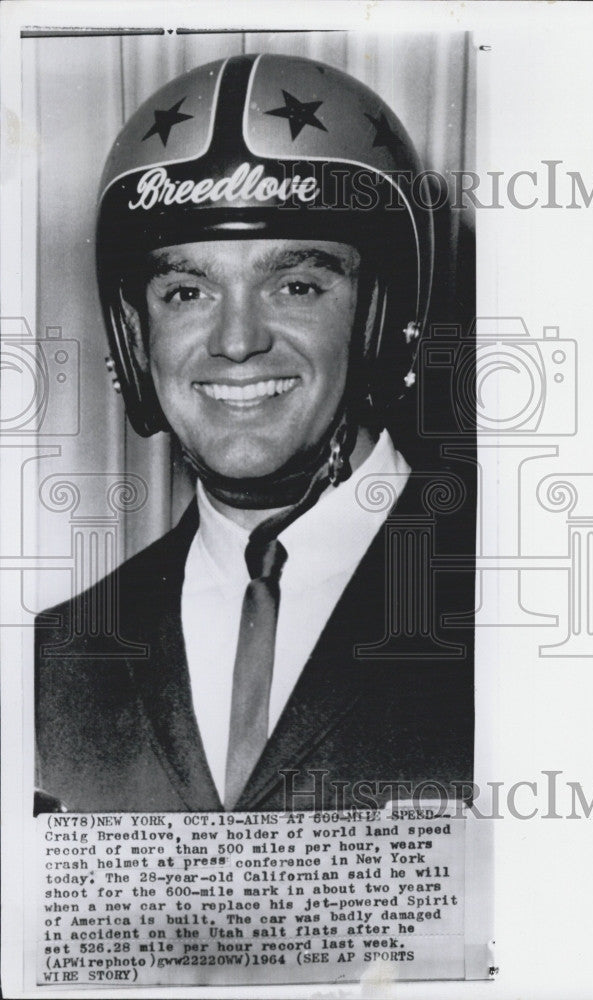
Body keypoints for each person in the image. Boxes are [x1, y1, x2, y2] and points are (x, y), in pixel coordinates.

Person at [34, 53, 474, 813]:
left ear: (379, 321)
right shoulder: (52, 661)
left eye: (297, 285)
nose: (236, 340)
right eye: (186, 291)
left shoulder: (513, 612)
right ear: (137, 341)